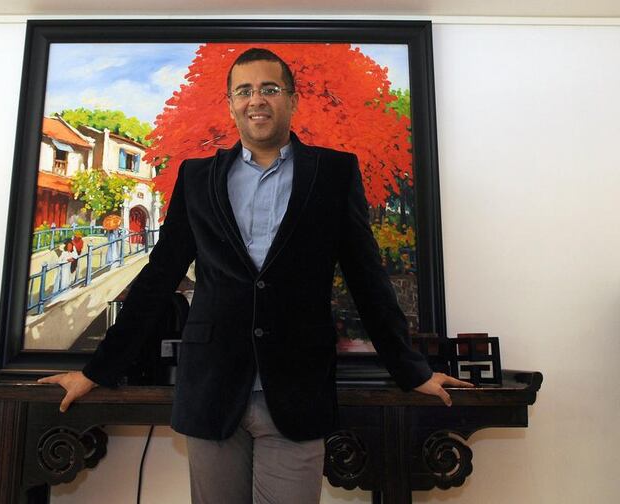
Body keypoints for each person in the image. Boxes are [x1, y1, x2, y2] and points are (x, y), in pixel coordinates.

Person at [39, 48, 472, 504]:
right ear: (230, 104)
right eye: (244, 91)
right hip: (212, 388)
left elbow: (367, 279)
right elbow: (158, 278)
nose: (256, 100)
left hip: (297, 390)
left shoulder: (333, 172)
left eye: (269, 88)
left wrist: (412, 370)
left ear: (292, 99)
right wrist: (96, 370)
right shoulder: (196, 177)